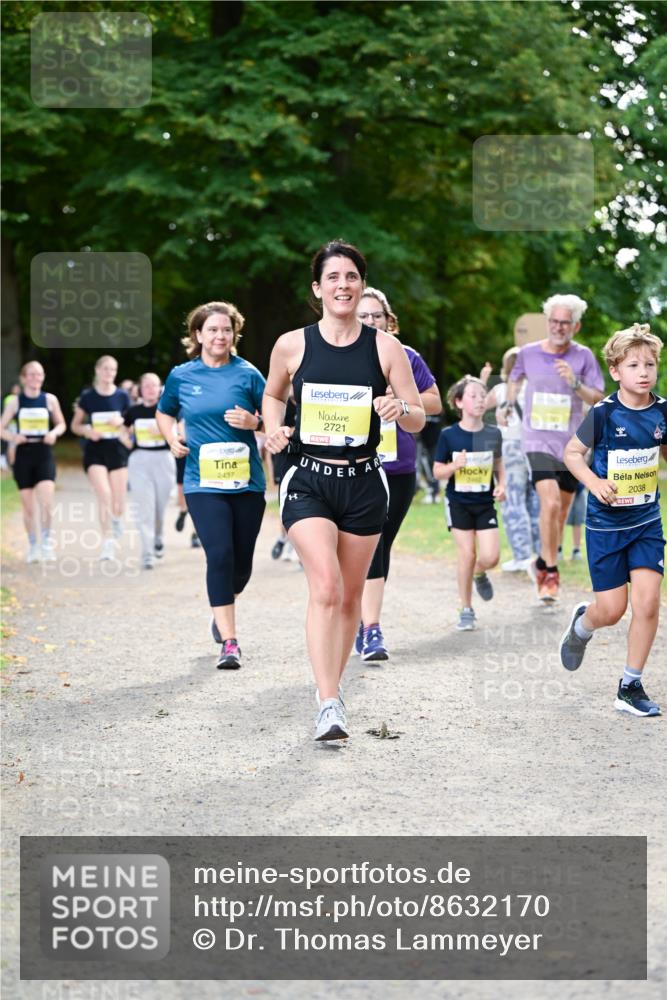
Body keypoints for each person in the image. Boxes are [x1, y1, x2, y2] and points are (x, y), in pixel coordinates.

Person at [263, 240, 425, 742]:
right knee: (327, 588)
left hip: (363, 483)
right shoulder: (292, 344)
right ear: (318, 288)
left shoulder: (385, 347)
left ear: (361, 284)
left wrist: (401, 410)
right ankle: (328, 701)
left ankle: (332, 689)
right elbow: (272, 394)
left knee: (352, 596)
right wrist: (272, 428)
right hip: (309, 478)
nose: (343, 285)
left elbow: (419, 415)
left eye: (351, 276)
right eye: (332, 277)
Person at [560, 324, 665, 717]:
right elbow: (573, 454)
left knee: (648, 602)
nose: (644, 371)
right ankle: (583, 625)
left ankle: (630, 685)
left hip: (646, 523)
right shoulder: (603, 413)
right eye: (634, 364)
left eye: (650, 364)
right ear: (616, 371)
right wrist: (594, 481)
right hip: (605, 525)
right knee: (612, 609)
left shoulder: (663, 411)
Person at [156, 301, 266, 669]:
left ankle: (222, 608)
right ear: (198, 335)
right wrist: (171, 437)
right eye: (212, 329)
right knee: (218, 555)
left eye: (226, 329)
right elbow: (164, 411)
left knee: (241, 567)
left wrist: (255, 422)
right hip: (202, 483)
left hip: (247, 484)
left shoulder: (248, 374)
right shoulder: (182, 375)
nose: (220, 336)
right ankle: (230, 642)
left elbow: (277, 415)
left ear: (234, 334)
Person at [353, 286, 442, 661]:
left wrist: (401, 400)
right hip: (357, 464)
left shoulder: (406, 358)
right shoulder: (344, 357)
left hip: (399, 467)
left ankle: (362, 621)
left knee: (381, 543)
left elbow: (434, 402)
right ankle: (370, 628)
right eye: (363, 316)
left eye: (377, 316)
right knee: (368, 544)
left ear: (390, 321)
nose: (371, 322)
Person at [501, 294, 604, 602]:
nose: (559, 327)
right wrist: (507, 402)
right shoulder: (528, 353)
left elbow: (597, 398)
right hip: (537, 440)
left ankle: (543, 563)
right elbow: (514, 379)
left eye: (565, 323)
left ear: (576, 326)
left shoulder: (584, 356)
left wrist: (574, 382)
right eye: (554, 321)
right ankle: (551, 574)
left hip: (572, 446)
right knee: (550, 504)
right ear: (548, 322)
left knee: (559, 515)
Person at [433, 375, 505, 630]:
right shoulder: (449, 435)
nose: (479, 400)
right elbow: (437, 472)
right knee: (467, 553)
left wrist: (502, 485)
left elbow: (498, 464)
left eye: (482, 396)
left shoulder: (493, 433)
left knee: (491, 556)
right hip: (458, 503)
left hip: (484, 503)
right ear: (459, 402)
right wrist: (455, 465)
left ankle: (479, 572)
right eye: (473, 396)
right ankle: (466, 608)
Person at [0, 362, 66, 562]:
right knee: (28, 506)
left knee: (46, 502)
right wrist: (13, 437)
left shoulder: (50, 400)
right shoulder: (16, 402)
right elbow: (1, 428)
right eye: (31, 374)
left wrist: (54, 433)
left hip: (44, 452)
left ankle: (46, 543)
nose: (36, 378)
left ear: (43, 377)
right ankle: (33, 546)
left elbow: (62, 424)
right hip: (23, 455)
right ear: (24, 378)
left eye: (39, 374)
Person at [485, 347, 541, 572]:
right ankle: (540, 554)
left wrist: (482, 380)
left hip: (510, 447)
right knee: (535, 502)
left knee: (513, 503)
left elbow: (477, 404)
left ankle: (522, 556)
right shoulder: (537, 388)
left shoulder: (500, 389)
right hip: (537, 448)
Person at [71, 355, 131, 561]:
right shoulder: (88, 397)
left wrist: (121, 421)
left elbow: (131, 424)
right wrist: (87, 430)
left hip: (117, 450)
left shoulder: (123, 396)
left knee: (118, 502)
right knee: (104, 494)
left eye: (113, 370)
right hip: (95, 450)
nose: (109, 373)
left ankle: (116, 519)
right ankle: (107, 544)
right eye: (105, 369)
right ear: (98, 370)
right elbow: (75, 426)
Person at [124, 373, 176, 569]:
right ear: (140, 389)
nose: (150, 389)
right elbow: (123, 430)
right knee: (144, 508)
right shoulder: (133, 411)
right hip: (139, 460)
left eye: (153, 386)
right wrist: (126, 441)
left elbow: (180, 430)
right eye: (146, 385)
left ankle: (158, 536)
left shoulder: (167, 410)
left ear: (159, 388)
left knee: (159, 507)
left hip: (163, 460)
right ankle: (147, 553)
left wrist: (165, 432)